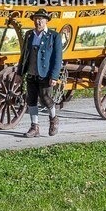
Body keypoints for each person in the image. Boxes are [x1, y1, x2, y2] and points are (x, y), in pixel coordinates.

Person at [18, 9, 63, 138]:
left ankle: (54, 119)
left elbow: (57, 58)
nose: (38, 21)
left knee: (45, 98)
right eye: (36, 19)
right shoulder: (29, 35)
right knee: (31, 100)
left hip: (45, 74)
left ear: (46, 21)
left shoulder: (54, 36)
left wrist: (54, 76)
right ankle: (34, 127)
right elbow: (24, 55)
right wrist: (19, 73)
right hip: (32, 73)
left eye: (41, 19)